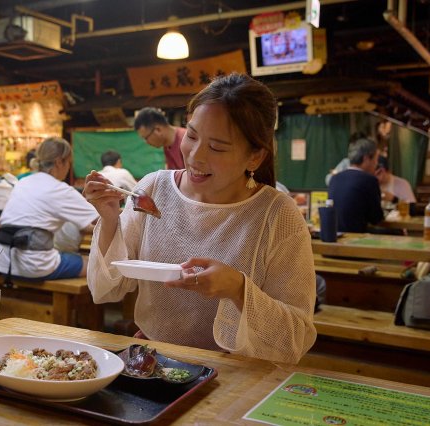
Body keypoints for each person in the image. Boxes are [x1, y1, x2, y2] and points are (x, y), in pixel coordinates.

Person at [83, 73, 316, 363]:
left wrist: (238, 289)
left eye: (217, 147)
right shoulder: (153, 189)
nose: (195, 156)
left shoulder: (278, 215)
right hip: (153, 362)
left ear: (255, 157)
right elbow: (107, 289)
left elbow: (295, 338)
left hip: (234, 372)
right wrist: (109, 221)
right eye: (192, 135)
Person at [0, 137, 98, 280]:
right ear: (59, 162)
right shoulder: (60, 189)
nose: (69, 168)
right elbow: (100, 221)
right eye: (69, 163)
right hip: (34, 265)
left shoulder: (23, 182)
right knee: (98, 265)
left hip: (3, 261)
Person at [328, 137, 384, 232]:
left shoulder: (335, 178)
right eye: (376, 159)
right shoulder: (369, 180)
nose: (377, 164)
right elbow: (376, 219)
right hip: (358, 238)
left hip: (336, 236)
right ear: (366, 159)